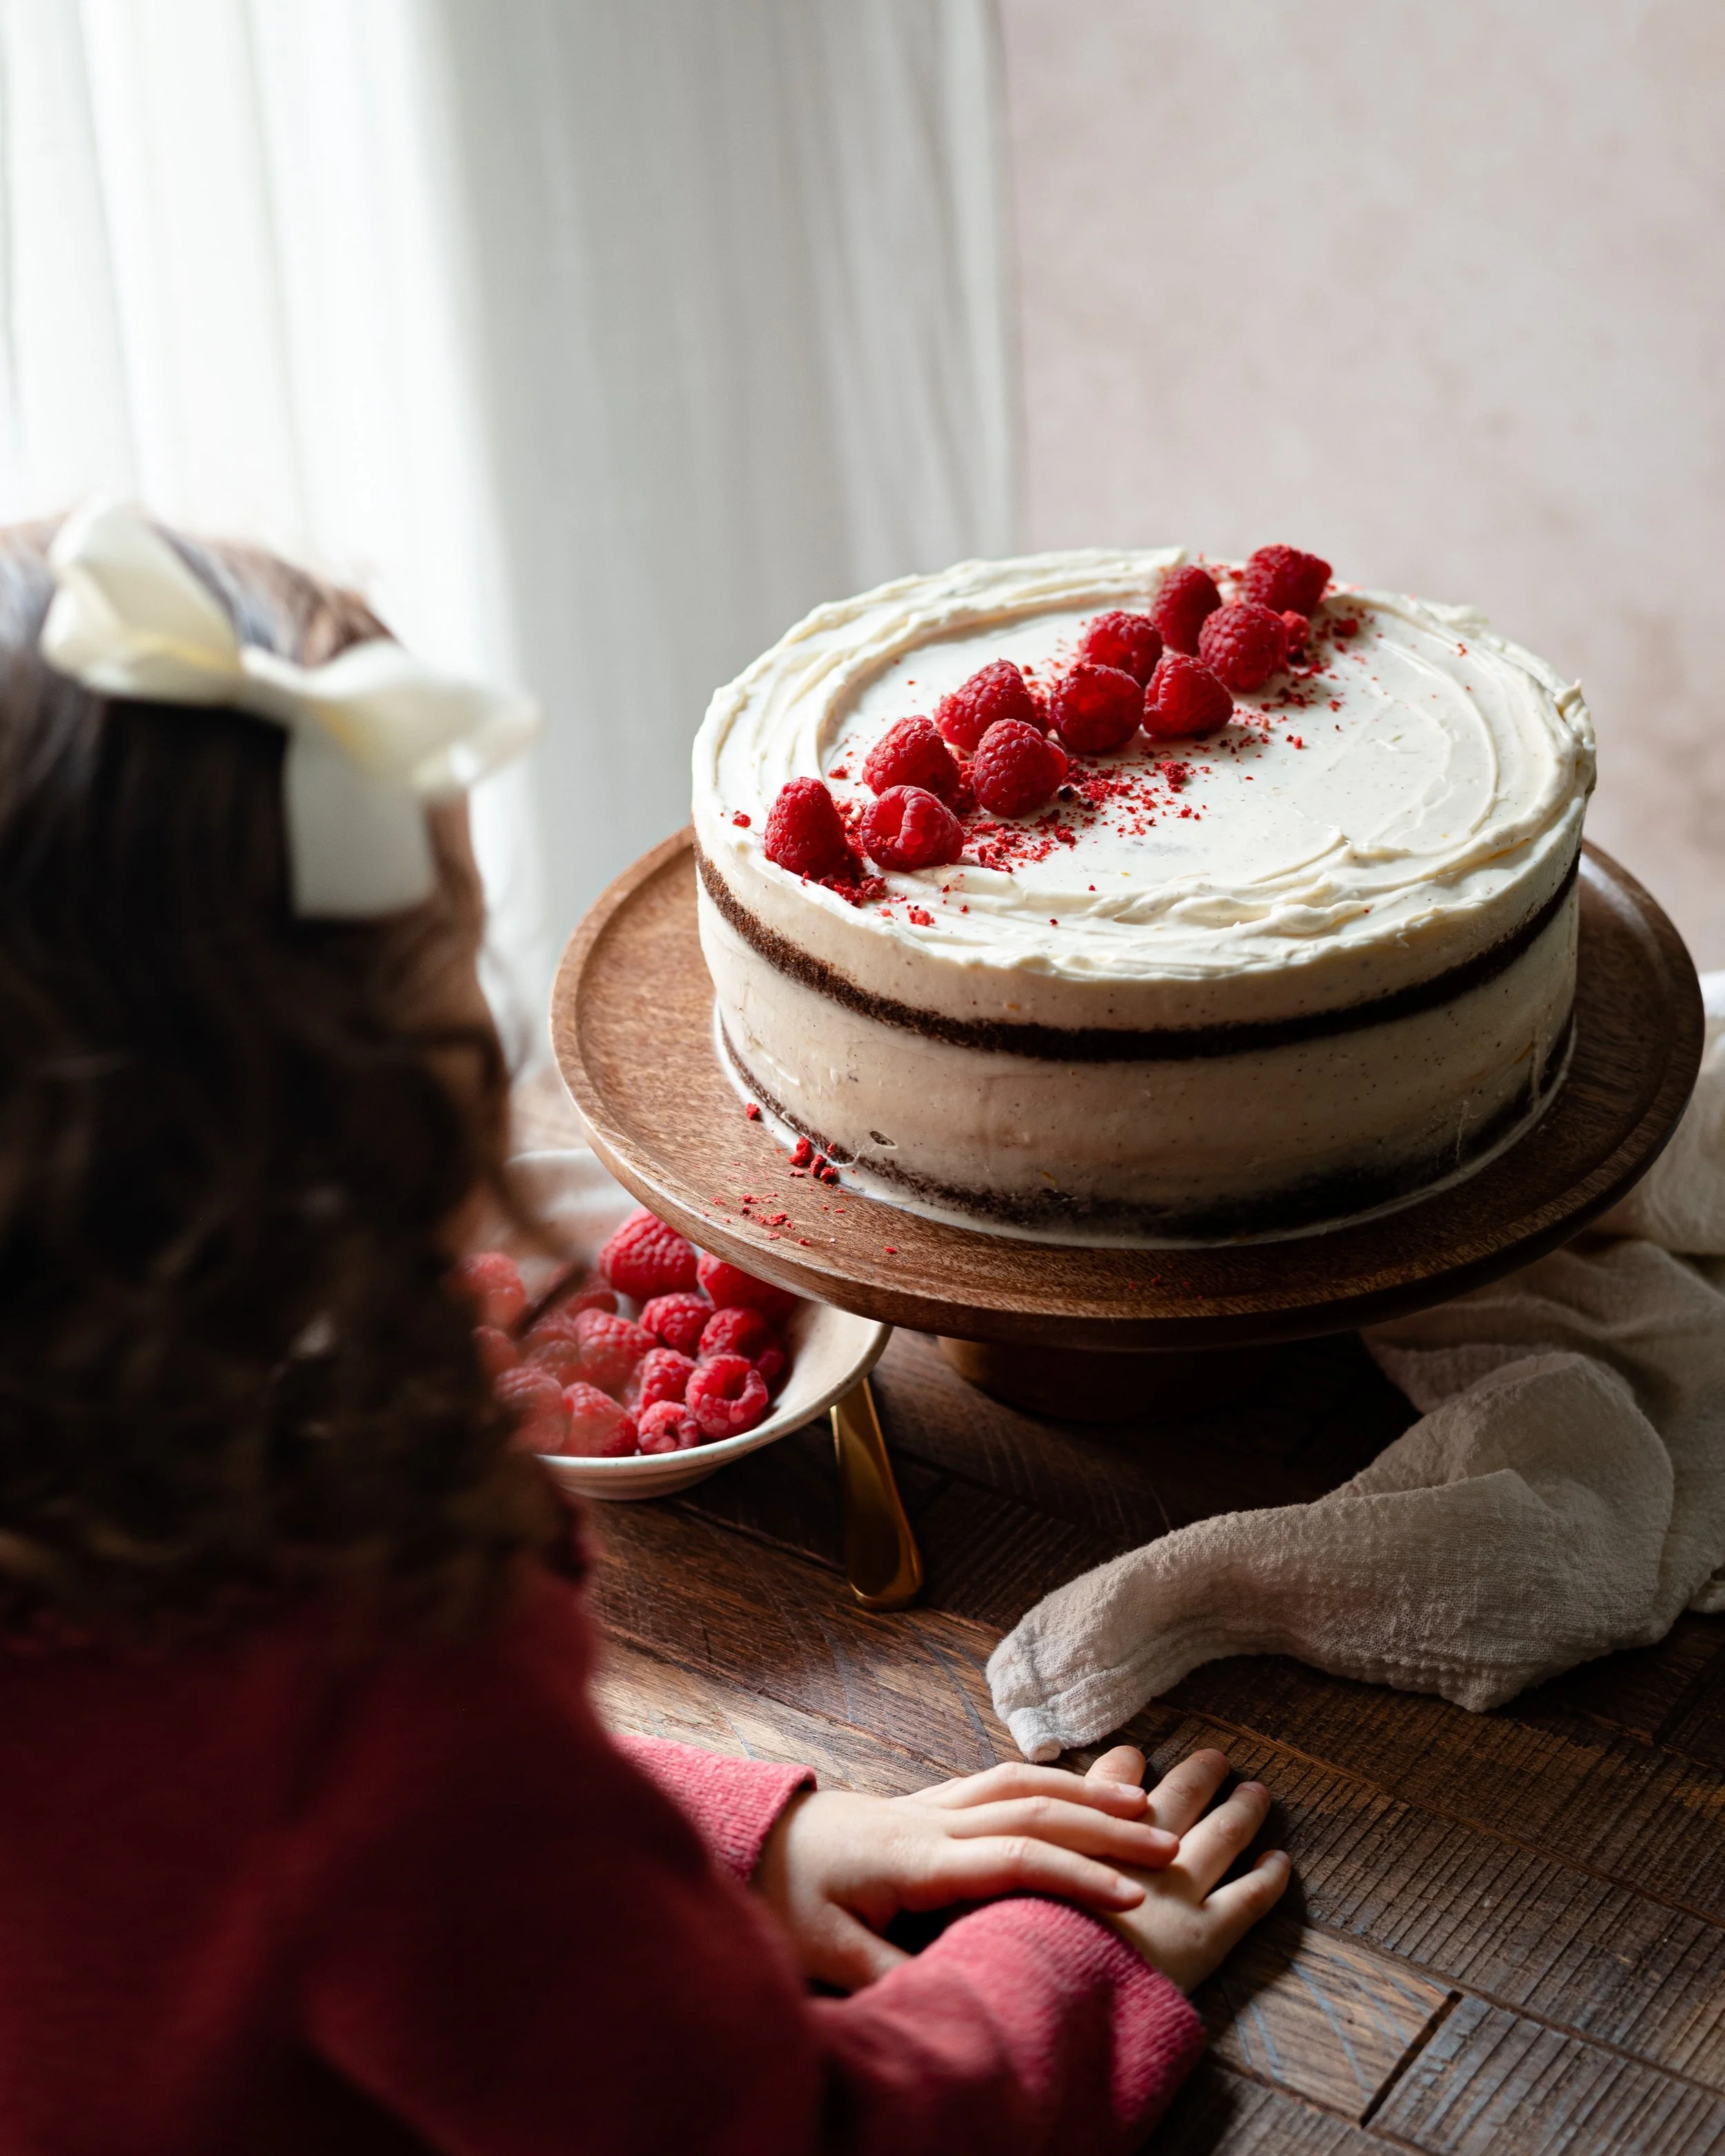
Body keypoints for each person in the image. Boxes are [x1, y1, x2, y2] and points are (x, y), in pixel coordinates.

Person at [0, 504, 1289, 2155]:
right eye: (457, 967)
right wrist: (1070, 1964)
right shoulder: (377, 1683)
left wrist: (743, 1840)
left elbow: (275, 1866)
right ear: (379, 1115)